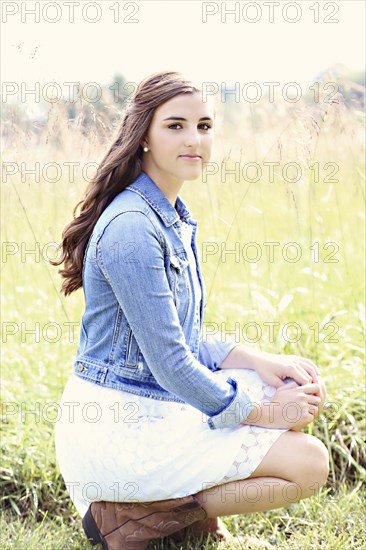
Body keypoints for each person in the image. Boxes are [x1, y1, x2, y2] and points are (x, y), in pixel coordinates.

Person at [52, 70, 329, 550]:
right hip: (122, 428)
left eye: (203, 126)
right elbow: (170, 362)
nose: (194, 139)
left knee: (292, 390)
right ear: (143, 137)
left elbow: (174, 333)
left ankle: (174, 512)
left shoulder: (169, 216)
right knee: (309, 464)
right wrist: (262, 413)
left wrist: (258, 361)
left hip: (152, 405)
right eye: (175, 125)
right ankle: (134, 516)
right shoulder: (133, 227)